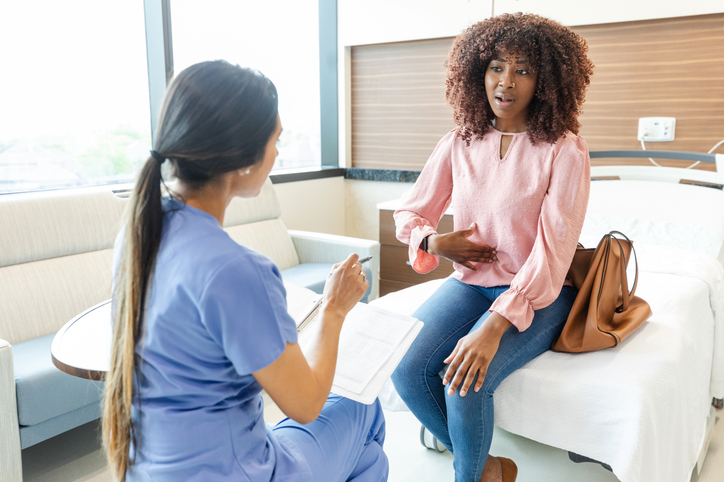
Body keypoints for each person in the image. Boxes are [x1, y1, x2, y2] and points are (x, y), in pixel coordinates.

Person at [102, 60, 388, 482]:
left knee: (368, 460)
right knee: (364, 409)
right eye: (276, 140)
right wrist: (334, 309)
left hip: (153, 468)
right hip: (235, 472)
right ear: (242, 158)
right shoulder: (235, 269)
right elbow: (306, 405)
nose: (277, 152)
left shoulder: (140, 232)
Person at [390, 13, 594, 482]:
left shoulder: (564, 150)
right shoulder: (459, 142)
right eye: (496, 66)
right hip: (470, 284)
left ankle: (470, 476)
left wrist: (495, 325)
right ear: (477, 72)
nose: (506, 82)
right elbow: (410, 211)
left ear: (545, 81)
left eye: (523, 70)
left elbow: (554, 250)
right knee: (406, 369)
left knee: (463, 384)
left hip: (538, 294)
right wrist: (434, 241)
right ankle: (488, 471)